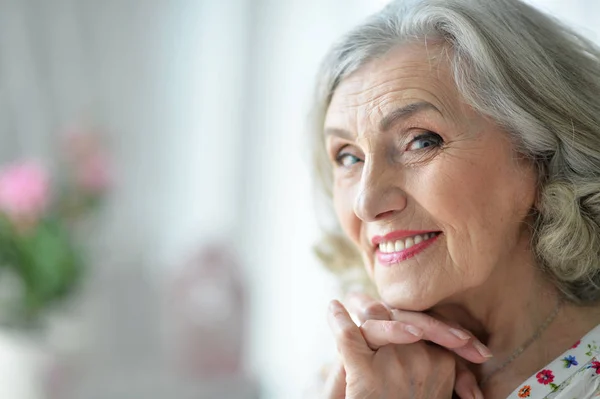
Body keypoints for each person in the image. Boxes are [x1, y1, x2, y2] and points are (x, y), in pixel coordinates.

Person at [311, 0, 600, 397]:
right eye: (348, 156)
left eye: (421, 141)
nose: (366, 202)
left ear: (540, 156)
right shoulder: (351, 376)